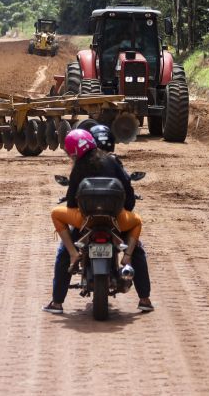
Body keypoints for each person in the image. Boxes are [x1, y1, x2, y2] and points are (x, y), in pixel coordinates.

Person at [43, 129, 154, 314]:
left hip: (85, 223)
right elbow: (129, 195)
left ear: (73, 152)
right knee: (137, 246)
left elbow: (71, 202)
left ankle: (57, 302)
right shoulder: (112, 161)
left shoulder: (78, 168)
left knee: (62, 248)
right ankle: (144, 299)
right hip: (115, 221)